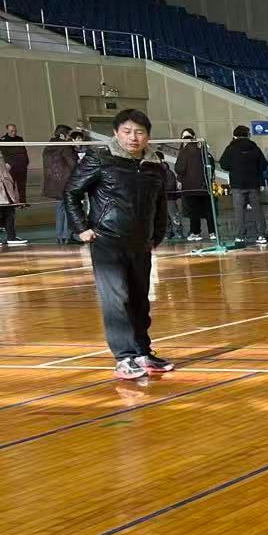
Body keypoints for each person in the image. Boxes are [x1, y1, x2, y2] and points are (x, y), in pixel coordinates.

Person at [64, 109, 173, 379]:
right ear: (116, 133)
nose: (133, 137)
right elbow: (71, 192)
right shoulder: (100, 159)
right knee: (117, 299)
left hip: (141, 243)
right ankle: (124, 357)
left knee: (139, 299)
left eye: (139, 132)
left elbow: (160, 204)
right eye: (127, 131)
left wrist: (157, 234)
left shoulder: (155, 167)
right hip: (107, 240)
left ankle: (142, 352)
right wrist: (82, 228)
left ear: (148, 136)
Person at [220, 125, 268, 245]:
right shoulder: (254, 147)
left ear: (234, 135)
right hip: (253, 183)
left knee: (239, 211)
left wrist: (235, 168)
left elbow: (223, 164)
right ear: (248, 135)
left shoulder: (231, 148)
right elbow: (264, 165)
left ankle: (240, 237)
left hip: (237, 184)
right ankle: (261, 235)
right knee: (257, 210)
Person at [44, 126, 77, 244]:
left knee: (60, 209)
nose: (70, 137)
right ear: (63, 135)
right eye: (68, 135)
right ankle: (67, 235)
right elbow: (73, 163)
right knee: (69, 209)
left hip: (54, 183)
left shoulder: (48, 147)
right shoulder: (65, 146)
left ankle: (60, 235)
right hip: (66, 182)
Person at [1, 123, 28, 206]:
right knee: (10, 185)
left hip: (21, 166)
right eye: (11, 131)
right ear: (7, 130)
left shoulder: (19, 139)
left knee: (22, 185)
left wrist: (26, 161)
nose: (14, 133)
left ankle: (23, 202)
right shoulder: (3, 140)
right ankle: (11, 202)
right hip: (10, 167)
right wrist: (8, 165)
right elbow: (5, 154)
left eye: (15, 131)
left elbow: (24, 151)